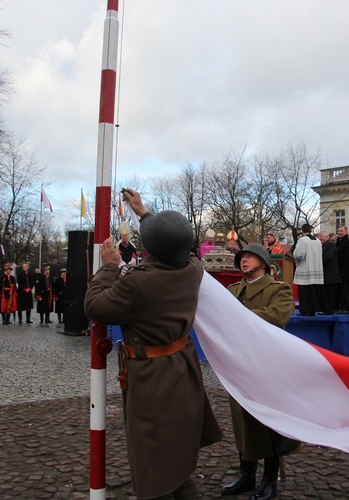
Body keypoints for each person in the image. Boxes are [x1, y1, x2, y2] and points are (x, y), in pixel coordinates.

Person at [84, 188, 222, 499]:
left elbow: (95, 307)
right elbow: (175, 244)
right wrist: (144, 213)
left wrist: (107, 267)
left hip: (152, 379)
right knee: (175, 458)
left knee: (152, 463)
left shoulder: (138, 282)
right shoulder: (192, 268)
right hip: (183, 371)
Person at [221, 243, 298, 500]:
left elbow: (277, 316)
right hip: (238, 364)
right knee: (242, 423)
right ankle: (246, 474)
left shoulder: (279, 289)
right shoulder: (232, 290)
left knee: (267, 424)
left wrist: (238, 316)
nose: (244, 261)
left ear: (263, 263)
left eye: (250, 257)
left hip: (266, 366)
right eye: (242, 257)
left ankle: (269, 479)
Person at [291, 223, 326, 316]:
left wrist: (296, 259)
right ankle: (314, 310)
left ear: (302, 231)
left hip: (306, 268)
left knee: (305, 291)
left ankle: (306, 310)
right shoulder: (318, 241)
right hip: (316, 268)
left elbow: (298, 254)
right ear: (310, 230)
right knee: (314, 291)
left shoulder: (303, 240)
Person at [317, 231, 341, 313]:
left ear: (327, 237)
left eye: (321, 236)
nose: (320, 238)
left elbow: (328, 257)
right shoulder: (324, 245)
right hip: (327, 275)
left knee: (329, 294)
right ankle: (325, 309)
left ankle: (329, 310)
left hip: (331, 275)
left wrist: (318, 263)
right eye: (319, 236)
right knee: (326, 293)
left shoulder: (330, 245)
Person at [335, 225, 349, 312]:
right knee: (341, 291)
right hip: (339, 271)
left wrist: (345, 272)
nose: (339, 232)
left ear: (346, 232)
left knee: (346, 291)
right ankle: (342, 306)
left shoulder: (348, 242)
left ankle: (347, 307)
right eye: (339, 231)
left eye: (341, 231)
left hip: (346, 273)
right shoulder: (339, 242)